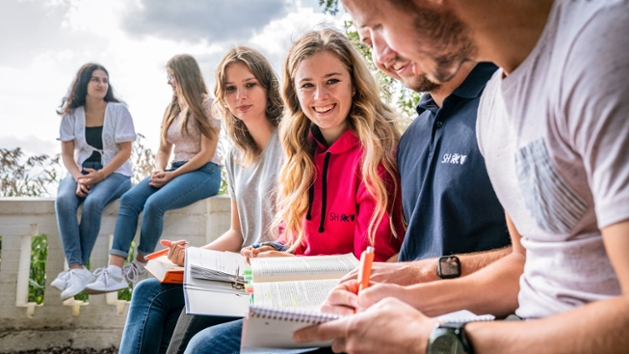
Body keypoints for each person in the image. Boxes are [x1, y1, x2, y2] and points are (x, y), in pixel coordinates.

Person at [294, 0, 629, 353]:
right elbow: (524, 266)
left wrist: (432, 340)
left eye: (377, 25)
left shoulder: (605, 43)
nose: (381, 55)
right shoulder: (497, 98)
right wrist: (406, 300)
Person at [183, 27, 405, 354]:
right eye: (307, 86)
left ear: (354, 84)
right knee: (197, 305)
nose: (320, 97)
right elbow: (299, 243)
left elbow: (373, 263)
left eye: (332, 81)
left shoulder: (375, 157)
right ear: (294, 94)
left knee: (206, 346)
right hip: (298, 296)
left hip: (346, 307)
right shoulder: (300, 154)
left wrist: (295, 269)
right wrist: (278, 255)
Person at [117, 46, 285, 354]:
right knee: (147, 290)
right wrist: (191, 256)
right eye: (231, 89)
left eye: (250, 85)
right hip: (238, 271)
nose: (240, 96)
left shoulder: (290, 143)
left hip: (269, 273)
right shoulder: (236, 155)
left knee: (189, 319)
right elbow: (237, 233)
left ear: (267, 87)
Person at [338, 41, 510, 285]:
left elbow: (543, 255)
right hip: (406, 308)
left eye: (385, 29)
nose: (382, 55)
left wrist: (420, 273)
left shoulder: (508, 101)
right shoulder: (411, 137)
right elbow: (423, 246)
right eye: (369, 41)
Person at [84, 54, 223, 294]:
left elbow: (206, 152)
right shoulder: (172, 108)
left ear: (184, 76)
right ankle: (115, 271)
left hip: (204, 171)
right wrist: (160, 170)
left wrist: (171, 175)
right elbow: (163, 148)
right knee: (129, 200)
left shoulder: (208, 105)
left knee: (154, 204)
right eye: (168, 76)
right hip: (174, 170)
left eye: (172, 76)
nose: (169, 81)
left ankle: (139, 263)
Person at [52, 63, 136, 300]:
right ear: (84, 83)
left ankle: (77, 267)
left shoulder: (119, 111)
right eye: (96, 80)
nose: (101, 84)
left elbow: (125, 152)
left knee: (93, 203)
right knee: (63, 201)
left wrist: (100, 175)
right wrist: (79, 178)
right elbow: (67, 156)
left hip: (116, 173)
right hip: (80, 171)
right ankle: (77, 270)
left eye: (105, 80)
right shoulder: (71, 115)